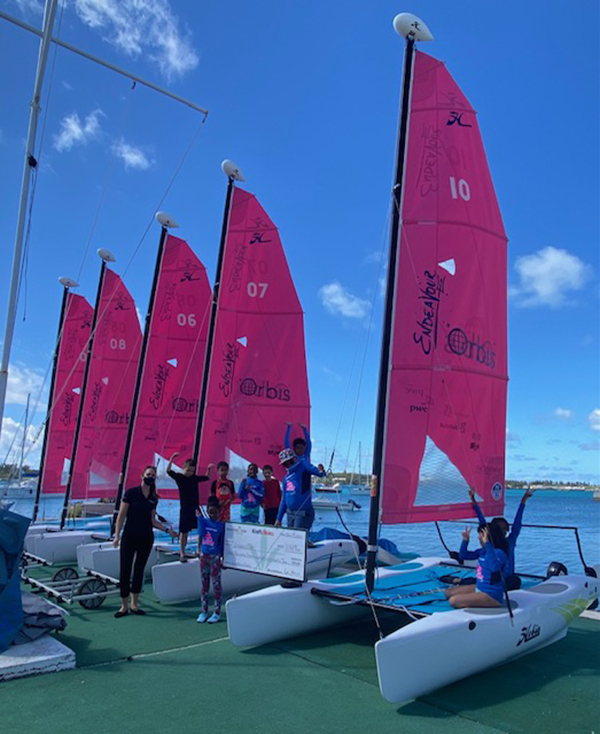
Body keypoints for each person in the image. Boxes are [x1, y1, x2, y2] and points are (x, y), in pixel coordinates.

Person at [113, 465, 177, 617]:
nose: (151, 477)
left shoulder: (153, 498)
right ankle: (124, 606)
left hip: (146, 538)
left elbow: (153, 521)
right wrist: (117, 535)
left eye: (153, 475)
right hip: (129, 537)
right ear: (142, 476)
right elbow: (121, 516)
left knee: (139, 570)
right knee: (125, 570)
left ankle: (134, 604)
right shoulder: (131, 493)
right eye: (148, 474)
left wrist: (168, 530)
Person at [468, 486, 533, 589]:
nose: (503, 532)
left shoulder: (510, 541)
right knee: (474, 581)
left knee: (516, 581)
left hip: (507, 580)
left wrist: (523, 501)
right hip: (493, 581)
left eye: (505, 529)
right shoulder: (490, 542)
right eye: (500, 529)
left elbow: (517, 523)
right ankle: (458, 581)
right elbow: (482, 521)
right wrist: (473, 501)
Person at [445, 523, 510, 608]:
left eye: (481, 535)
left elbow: (494, 568)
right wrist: (465, 541)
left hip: (491, 595)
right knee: (448, 593)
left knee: (453, 601)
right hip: (480, 588)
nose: (479, 538)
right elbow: (463, 556)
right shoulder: (483, 551)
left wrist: (487, 543)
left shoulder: (499, 553)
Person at [166, 453, 214, 562]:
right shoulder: (180, 477)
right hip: (185, 509)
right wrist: (171, 459)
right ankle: (182, 552)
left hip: (195, 508)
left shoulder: (194, 478)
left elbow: (207, 477)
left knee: (201, 528)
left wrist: (208, 469)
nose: (190, 473)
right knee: (184, 531)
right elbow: (168, 471)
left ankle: (198, 549)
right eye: (188, 470)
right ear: (183, 468)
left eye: (192, 471)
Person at [275, 448, 326, 530]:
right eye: (286, 464)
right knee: (290, 536)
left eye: (291, 462)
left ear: (295, 458)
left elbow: (319, 473)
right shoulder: (286, 479)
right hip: (290, 513)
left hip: (303, 513)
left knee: (297, 535)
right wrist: (279, 519)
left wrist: (321, 471)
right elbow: (283, 500)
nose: (289, 465)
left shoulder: (303, 466)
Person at [197, 496, 224, 624]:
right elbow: (201, 535)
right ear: (207, 511)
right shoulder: (203, 521)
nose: (212, 515)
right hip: (204, 557)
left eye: (215, 512)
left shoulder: (221, 526)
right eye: (210, 512)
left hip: (215, 558)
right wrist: (198, 550)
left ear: (219, 512)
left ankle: (217, 612)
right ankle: (204, 611)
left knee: (216, 585)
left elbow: (222, 543)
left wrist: (223, 558)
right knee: (204, 585)